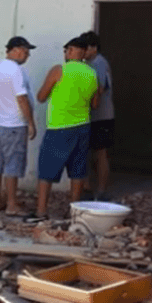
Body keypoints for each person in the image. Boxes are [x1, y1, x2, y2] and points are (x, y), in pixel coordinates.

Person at [33, 37, 99, 220]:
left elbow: (41, 96)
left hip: (59, 126)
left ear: (71, 51)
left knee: (47, 170)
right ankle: (74, 213)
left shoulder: (58, 70)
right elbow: (95, 104)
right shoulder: (92, 74)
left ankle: (41, 211)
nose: (65, 53)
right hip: (83, 126)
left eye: (67, 50)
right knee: (77, 171)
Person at [0, 36, 38, 217]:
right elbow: (21, 98)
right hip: (15, 124)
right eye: (25, 51)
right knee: (12, 165)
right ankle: (11, 204)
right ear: (15, 50)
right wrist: (30, 123)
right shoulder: (15, 70)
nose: (27, 55)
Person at [81, 31, 114, 201]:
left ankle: (101, 190)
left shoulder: (99, 63)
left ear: (94, 48)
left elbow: (99, 89)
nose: (83, 52)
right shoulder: (87, 63)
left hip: (101, 116)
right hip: (90, 116)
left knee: (100, 153)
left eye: (85, 48)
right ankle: (86, 187)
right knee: (86, 151)